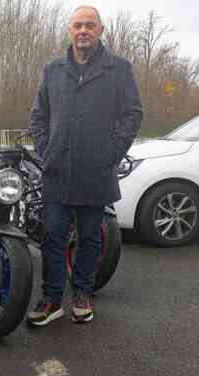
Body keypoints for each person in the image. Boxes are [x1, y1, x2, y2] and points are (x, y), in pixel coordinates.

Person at [26, 5, 142, 326]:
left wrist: (111, 153)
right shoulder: (52, 69)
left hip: (96, 169)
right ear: (69, 31)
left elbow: (132, 115)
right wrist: (46, 150)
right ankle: (51, 300)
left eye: (90, 25)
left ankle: (82, 293)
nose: (83, 31)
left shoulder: (118, 69)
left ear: (100, 30)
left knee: (91, 238)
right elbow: (38, 117)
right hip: (57, 169)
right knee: (52, 236)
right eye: (77, 25)